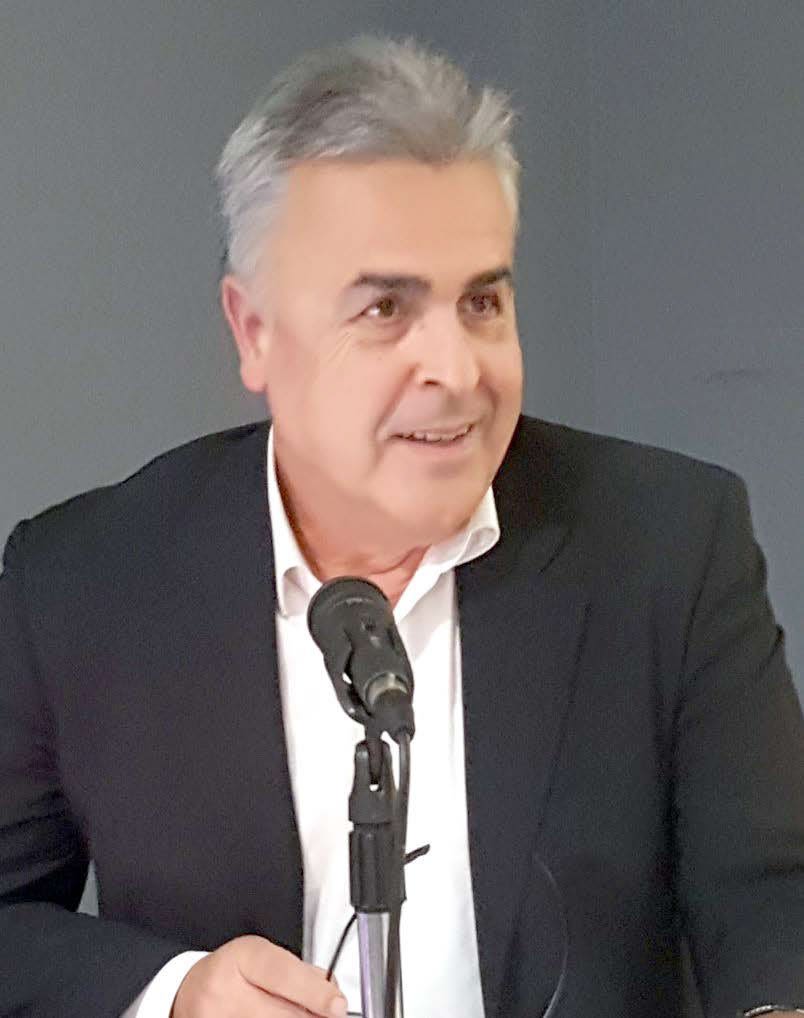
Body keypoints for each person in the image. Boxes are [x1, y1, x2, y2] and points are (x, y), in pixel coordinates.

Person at [0, 32, 802, 1018]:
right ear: (254, 332)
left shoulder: (669, 543)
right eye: (386, 308)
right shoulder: (83, 583)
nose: (457, 371)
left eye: (483, 302)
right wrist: (173, 994)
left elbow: (773, 896)